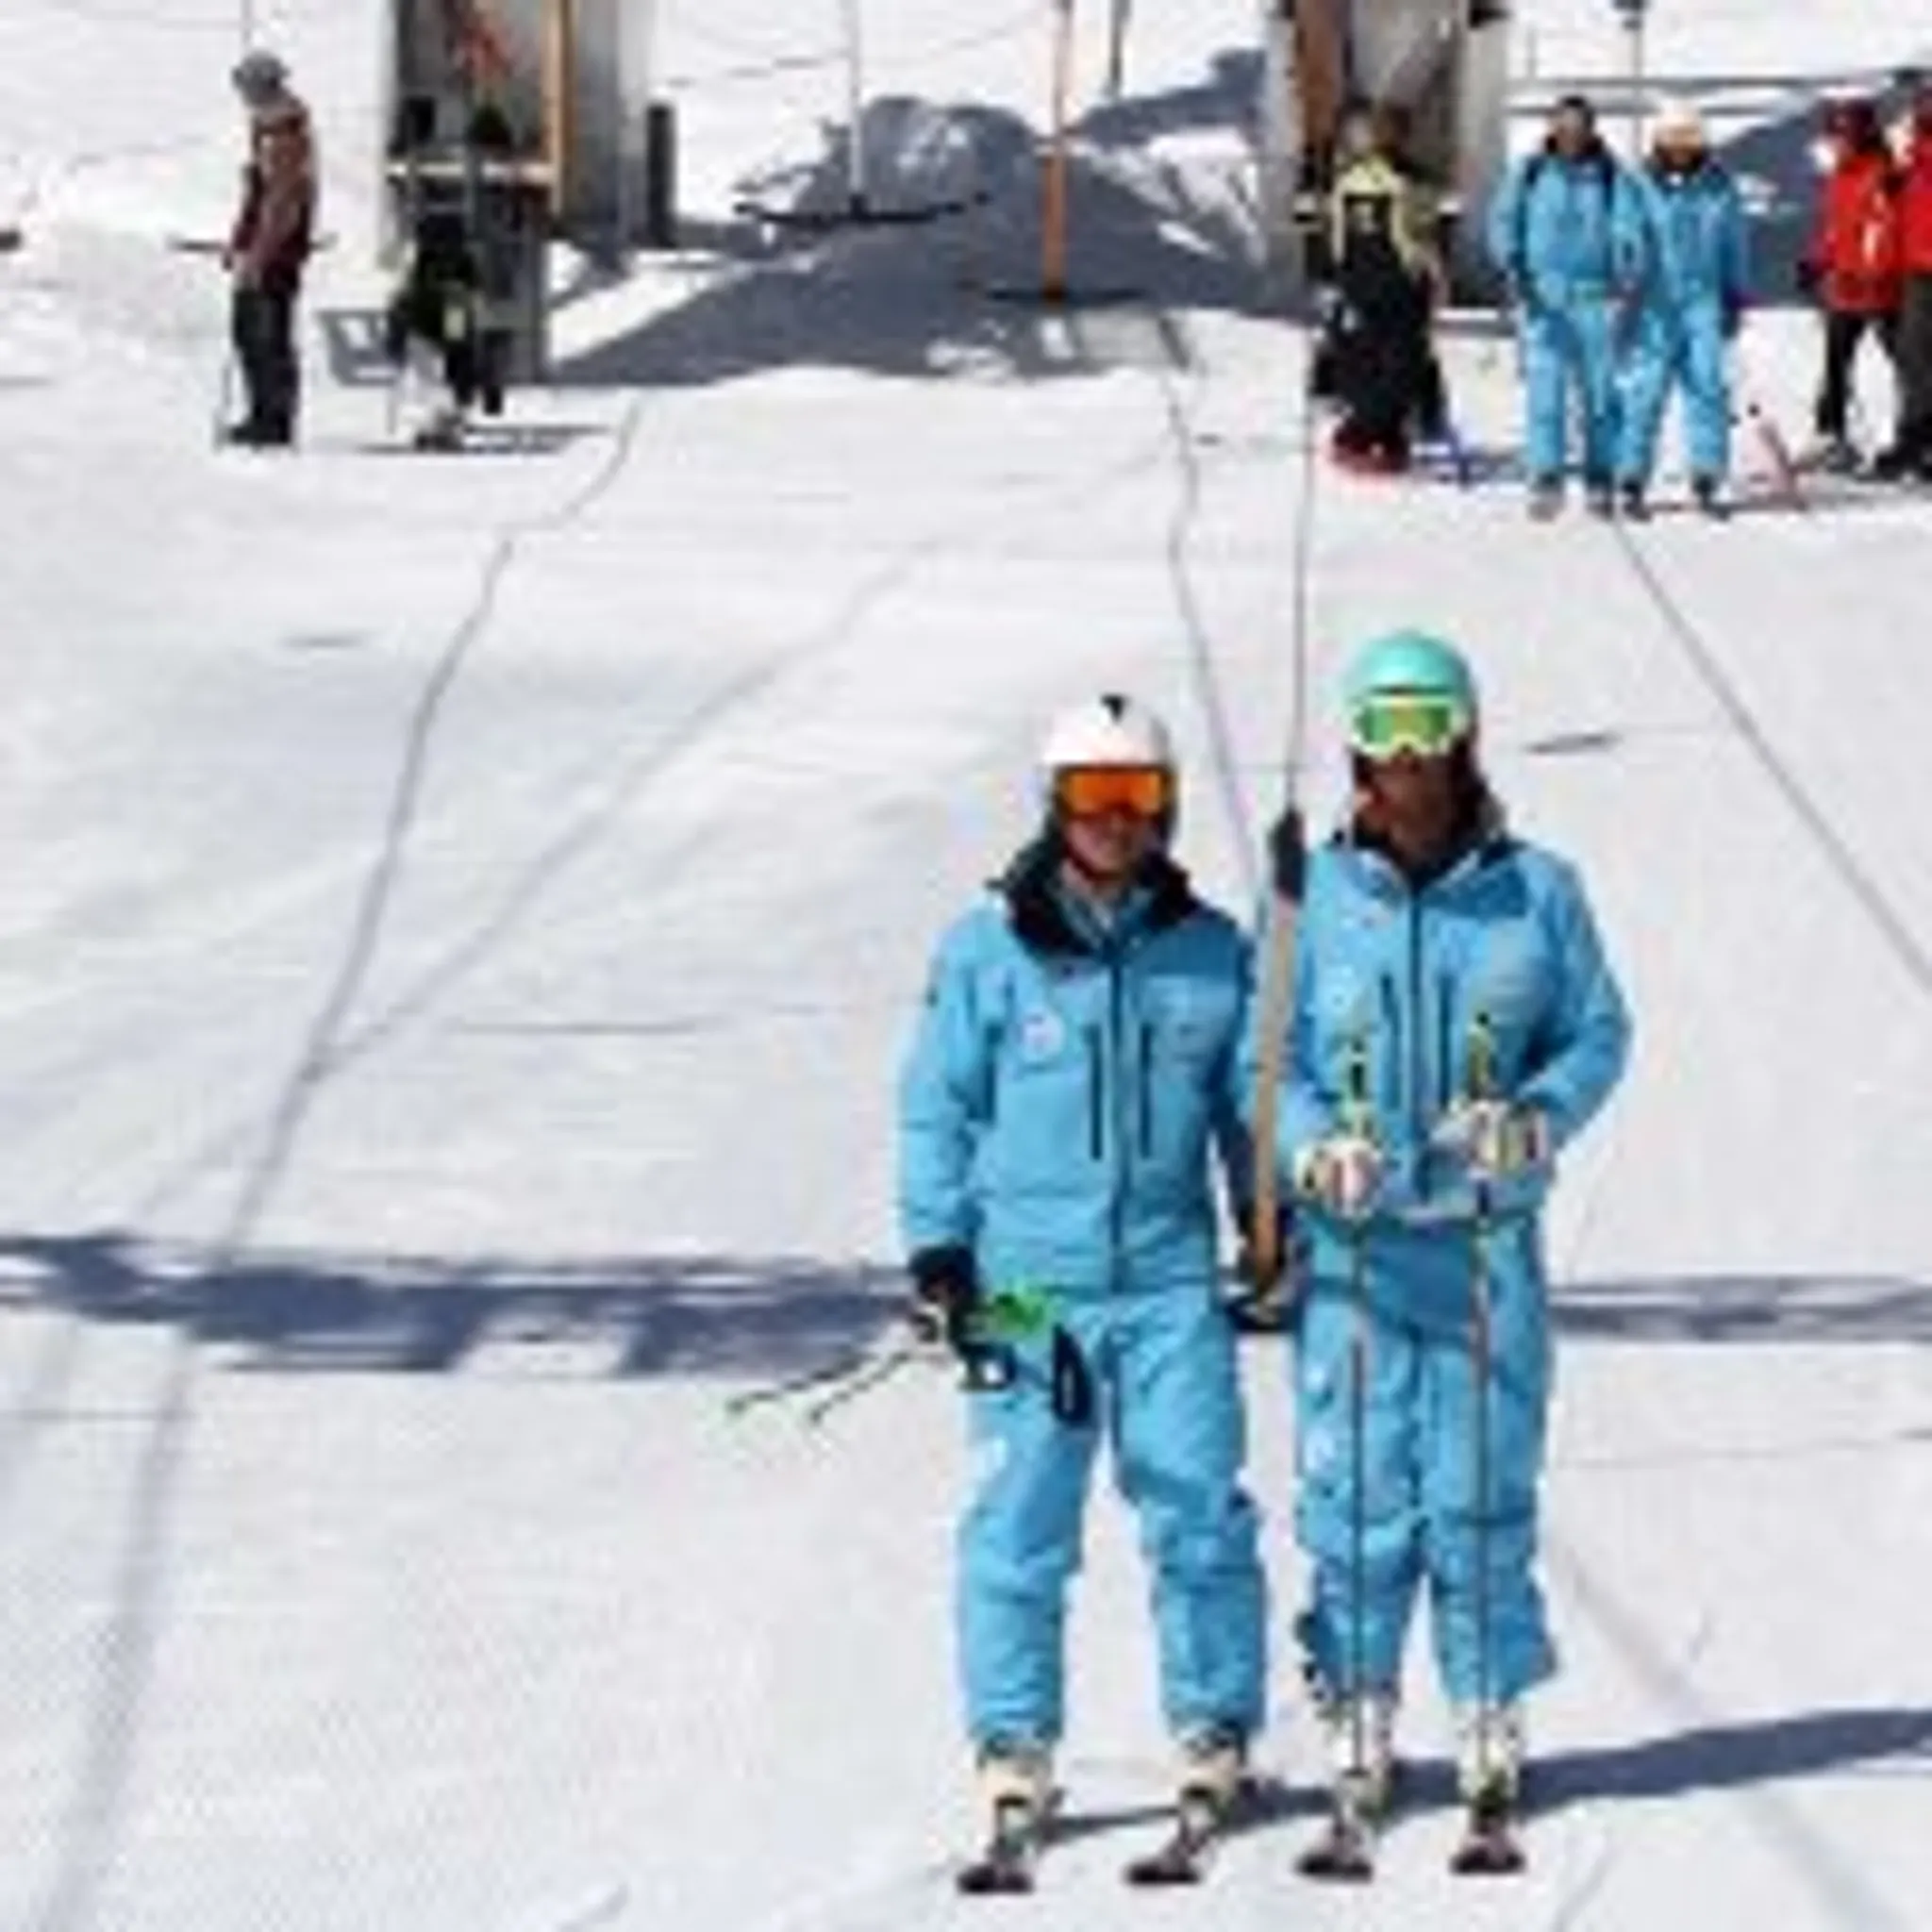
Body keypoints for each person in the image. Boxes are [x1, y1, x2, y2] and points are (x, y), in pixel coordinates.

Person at [1251, 630, 1629, 1823]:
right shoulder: (1312, 901)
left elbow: (1597, 1031)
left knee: (1477, 1489)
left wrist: (1536, 1116)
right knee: (1356, 1490)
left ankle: (1484, 1702)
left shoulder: (1536, 891)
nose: (1405, 757)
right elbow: (1269, 1062)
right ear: (1355, 747)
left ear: (1463, 739)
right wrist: (1310, 1146)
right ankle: (1359, 1699)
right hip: (1355, 1252)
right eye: (1383, 730)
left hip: (1478, 1254)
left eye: (1427, 729)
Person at [896, 694, 1268, 1859]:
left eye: (1137, 795)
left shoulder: (1211, 951)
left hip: (1167, 1285)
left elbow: (1246, 1111)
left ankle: (1212, 1726)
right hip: (1028, 1289)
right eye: (1091, 796)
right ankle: (1014, 1747)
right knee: (1019, 1520)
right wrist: (940, 1252)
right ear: (1052, 804)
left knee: (1196, 1507)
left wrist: (1273, 1225)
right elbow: (936, 1109)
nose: (1115, 819)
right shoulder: (985, 950)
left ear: (1167, 805)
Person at [1485, 94, 1649, 518]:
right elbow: (1504, 219)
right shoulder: (1531, 173)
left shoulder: (1611, 176)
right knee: (1547, 392)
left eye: (1579, 128)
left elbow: (1629, 226)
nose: (1571, 136)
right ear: (1553, 129)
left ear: (1591, 130)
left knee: (1600, 394)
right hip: (1544, 296)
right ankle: (1546, 474)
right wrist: (1511, 263)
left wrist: (1627, 268)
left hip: (1596, 296)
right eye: (1564, 127)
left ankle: (1600, 474)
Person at [1615, 101, 1750, 517]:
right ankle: (1631, 476)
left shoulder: (1718, 186)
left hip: (1703, 302)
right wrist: (1626, 270)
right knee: (1645, 392)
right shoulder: (1638, 185)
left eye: (1688, 139)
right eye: (1672, 139)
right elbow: (1623, 232)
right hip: (1654, 305)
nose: (1680, 148)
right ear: (1659, 140)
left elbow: (1734, 243)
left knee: (1708, 388)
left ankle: (1707, 475)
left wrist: (1736, 294)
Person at [1324, 100, 1451, 475]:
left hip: (1382, 284)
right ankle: (1358, 433)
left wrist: (1436, 277)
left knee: (1387, 365)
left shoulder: (1381, 179)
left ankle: (1388, 435)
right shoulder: (1373, 179)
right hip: (1381, 284)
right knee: (1384, 367)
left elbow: (1422, 236)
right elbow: (1422, 236)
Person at [1798, 95, 1901, 472]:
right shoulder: (1841, 175)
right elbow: (1834, 230)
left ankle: (1917, 436)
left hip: (1878, 290)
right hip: (1845, 287)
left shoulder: (1883, 175)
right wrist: (1816, 261)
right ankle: (1830, 434)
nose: (1835, 144)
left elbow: (1885, 234)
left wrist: (1870, 274)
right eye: (1834, 137)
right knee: (1836, 364)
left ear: (1860, 136)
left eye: (1841, 136)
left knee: (1909, 365)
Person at [223, 49, 317, 448]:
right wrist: (238, 243)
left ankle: (272, 418)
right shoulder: (270, 130)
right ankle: (265, 413)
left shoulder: (283, 137)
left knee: (263, 334)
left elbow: (280, 205)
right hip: (266, 250)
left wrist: (258, 256)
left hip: (274, 255)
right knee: (255, 332)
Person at [1872, 85, 1932, 481]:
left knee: (1920, 359)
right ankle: (1913, 439)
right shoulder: (1912, 161)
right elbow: (1899, 222)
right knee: (1913, 359)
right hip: (1914, 270)